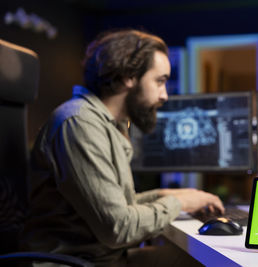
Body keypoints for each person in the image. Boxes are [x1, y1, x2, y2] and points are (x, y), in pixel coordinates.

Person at [21, 29, 224, 266]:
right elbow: (118, 228)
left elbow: (116, 205)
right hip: (74, 262)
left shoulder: (107, 124)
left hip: (103, 258)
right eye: (159, 81)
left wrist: (168, 195)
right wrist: (181, 203)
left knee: (198, 261)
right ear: (128, 76)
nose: (165, 95)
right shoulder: (79, 124)